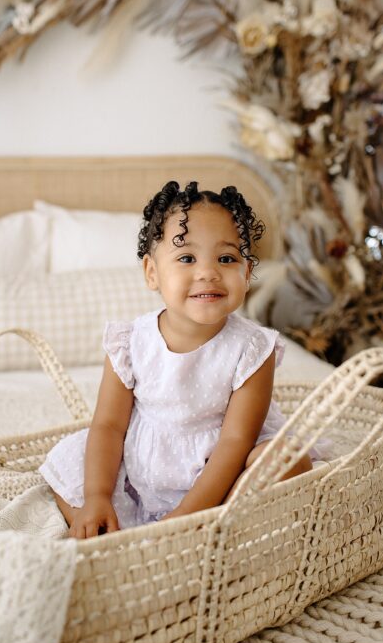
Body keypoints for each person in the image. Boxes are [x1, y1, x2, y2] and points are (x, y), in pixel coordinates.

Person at [41, 180, 325, 538]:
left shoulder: (253, 348)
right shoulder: (130, 343)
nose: (208, 272)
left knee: (285, 460)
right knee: (70, 460)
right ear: (152, 273)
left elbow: (235, 442)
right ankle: (106, 525)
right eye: (187, 258)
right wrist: (98, 496)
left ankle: (216, 529)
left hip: (223, 473)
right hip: (143, 471)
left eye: (227, 258)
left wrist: (185, 518)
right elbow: (108, 427)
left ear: (247, 273)